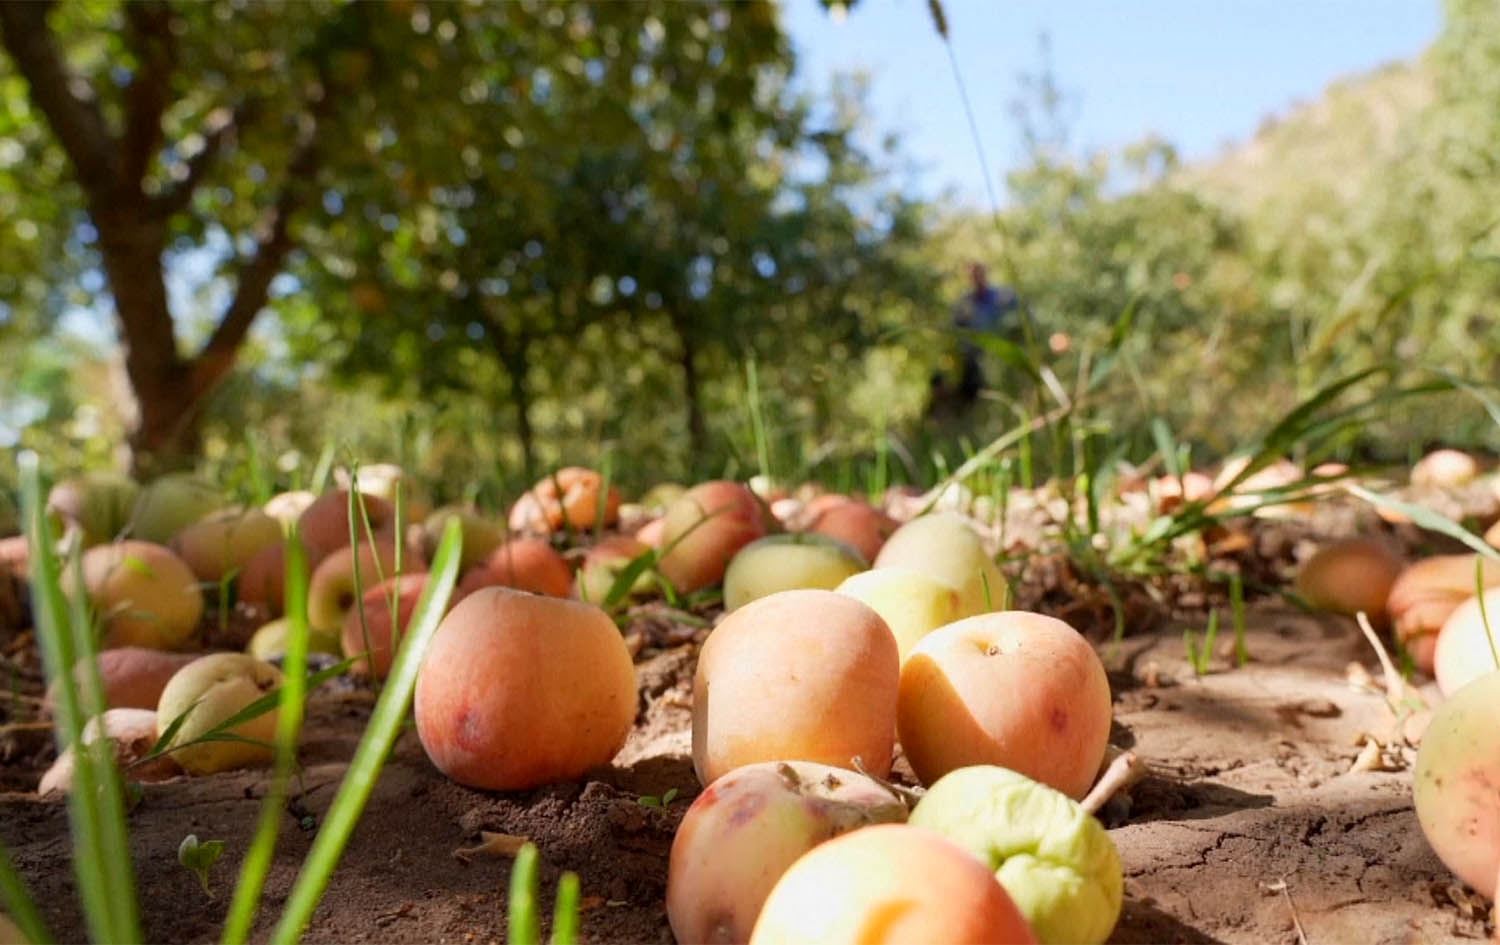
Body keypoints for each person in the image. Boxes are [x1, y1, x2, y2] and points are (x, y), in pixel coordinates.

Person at [949, 262, 1019, 404]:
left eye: (979, 274)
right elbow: (956, 330)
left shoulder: (1002, 296)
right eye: (973, 275)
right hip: (976, 358)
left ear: (985, 274)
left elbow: (1019, 317)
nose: (977, 278)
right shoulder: (964, 303)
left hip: (1002, 353)